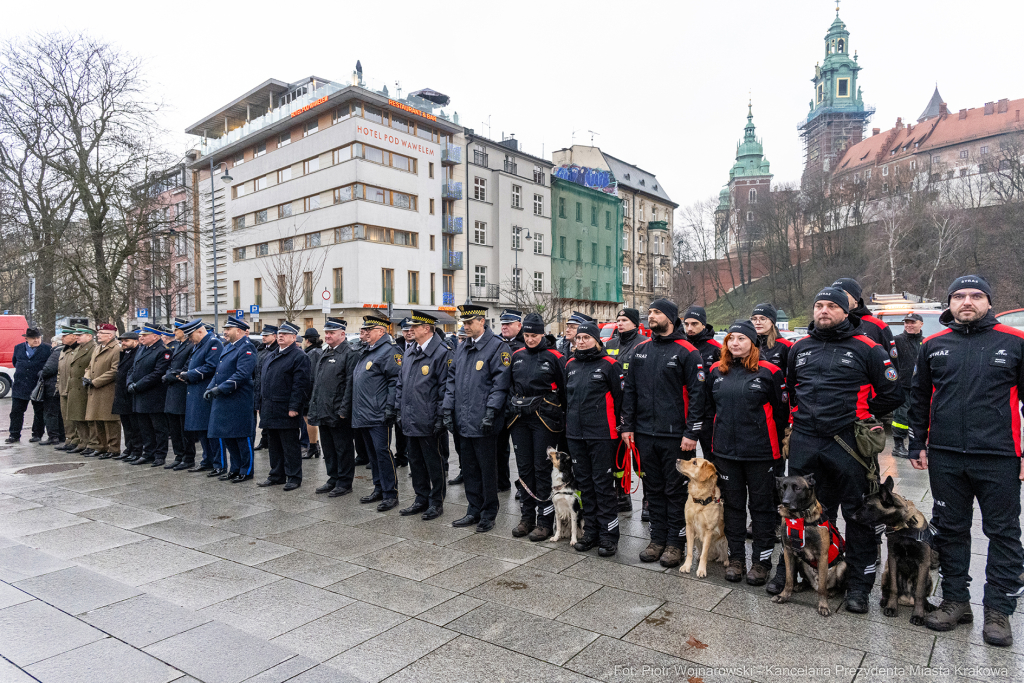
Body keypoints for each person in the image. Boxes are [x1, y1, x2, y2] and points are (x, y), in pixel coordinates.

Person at [909, 275, 1024, 647]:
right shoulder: (933, 345)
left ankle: (999, 610)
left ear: (989, 302)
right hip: (945, 456)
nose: (967, 302)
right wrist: (917, 445)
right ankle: (956, 600)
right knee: (951, 530)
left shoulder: (1015, 342)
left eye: (976, 295)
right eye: (959, 296)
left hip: (999, 455)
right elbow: (920, 398)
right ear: (950, 303)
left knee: (1003, 533)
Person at [779, 287, 904, 612]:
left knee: (858, 513)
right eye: (818, 304)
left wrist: (863, 412)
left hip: (848, 443)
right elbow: (793, 388)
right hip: (805, 440)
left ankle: (858, 587)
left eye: (831, 305)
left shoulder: (867, 347)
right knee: (803, 511)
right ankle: (795, 573)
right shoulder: (800, 347)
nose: (823, 310)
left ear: (846, 311)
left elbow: (893, 393)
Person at [620, 298, 707, 568]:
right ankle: (657, 539)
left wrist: (691, 432)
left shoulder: (687, 351)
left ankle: (675, 543)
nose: (651, 316)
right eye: (649, 312)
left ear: (670, 317)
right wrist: (628, 426)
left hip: (676, 437)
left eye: (656, 312)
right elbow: (630, 391)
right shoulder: (641, 349)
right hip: (645, 433)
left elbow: (697, 395)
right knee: (652, 489)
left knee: (675, 491)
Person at [705, 320, 787, 585]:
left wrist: (780, 451)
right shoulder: (717, 372)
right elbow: (709, 410)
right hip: (726, 454)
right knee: (733, 508)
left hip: (761, 453)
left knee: (762, 508)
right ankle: (736, 558)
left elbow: (781, 413)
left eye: (741, 338)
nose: (735, 343)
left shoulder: (770, 372)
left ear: (753, 342)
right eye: (731, 339)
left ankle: (761, 562)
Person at [443, 303, 511, 532]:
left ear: (482, 321)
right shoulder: (462, 348)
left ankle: (488, 513)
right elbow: (451, 382)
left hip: (483, 421)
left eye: (470, 322)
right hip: (463, 419)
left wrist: (491, 412)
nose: (466, 326)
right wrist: (448, 409)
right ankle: (473, 509)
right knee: (469, 468)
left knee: (487, 469)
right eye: (464, 323)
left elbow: (499, 385)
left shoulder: (496, 347)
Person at [564, 321, 624, 556]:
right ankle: (591, 532)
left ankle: (609, 536)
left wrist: (621, 429)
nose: (580, 341)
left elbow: (621, 400)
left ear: (598, 340)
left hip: (602, 434)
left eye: (586, 338)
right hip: (575, 434)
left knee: (602, 486)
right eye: (578, 338)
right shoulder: (570, 364)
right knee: (585, 485)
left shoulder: (610, 365)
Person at [505, 312, 566, 540]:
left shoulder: (554, 356)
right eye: (527, 335)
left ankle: (544, 521)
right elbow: (509, 385)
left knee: (542, 470)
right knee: (524, 469)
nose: (530, 339)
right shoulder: (517, 355)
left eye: (535, 335)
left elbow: (564, 390)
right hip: (519, 419)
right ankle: (526, 517)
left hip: (544, 420)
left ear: (543, 334)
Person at [396, 311, 451, 520]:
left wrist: (439, 417)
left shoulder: (442, 352)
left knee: (434, 464)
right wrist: (399, 410)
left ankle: (436, 502)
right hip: (410, 417)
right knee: (415, 462)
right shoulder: (410, 351)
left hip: (429, 419)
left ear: (427, 328)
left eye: (415, 326)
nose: (410, 330)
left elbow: (445, 389)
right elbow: (401, 384)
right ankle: (421, 498)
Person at [351, 312, 401, 510]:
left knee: (382, 453)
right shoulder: (369, 350)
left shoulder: (389, 351)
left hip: (379, 413)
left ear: (381, 331)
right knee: (372, 455)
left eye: (369, 330)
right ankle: (378, 488)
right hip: (364, 412)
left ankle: (390, 493)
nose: (366, 333)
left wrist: (390, 408)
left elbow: (395, 382)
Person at [258, 322, 312, 491]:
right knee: (273, 445)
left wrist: (295, 407)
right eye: (279, 333)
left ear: (294, 337)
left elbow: (300, 385)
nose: (280, 336)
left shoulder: (299, 356)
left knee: (290, 446)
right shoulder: (272, 354)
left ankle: (294, 477)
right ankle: (277, 475)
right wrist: (260, 404)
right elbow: (263, 382)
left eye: (285, 334)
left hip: (286, 409)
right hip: (270, 407)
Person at [308, 318, 358, 497]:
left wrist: (344, 410)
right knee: (328, 448)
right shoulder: (325, 352)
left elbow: (349, 384)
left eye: (332, 333)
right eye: (326, 332)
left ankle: (344, 482)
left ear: (342, 334)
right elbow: (319, 383)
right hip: (324, 409)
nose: (327, 336)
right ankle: (333, 477)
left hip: (338, 412)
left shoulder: (350, 353)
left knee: (342, 448)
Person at [605, 307, 647, 515]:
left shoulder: (643, 343)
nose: (620, 323)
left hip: (638, 405)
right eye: (618, 319)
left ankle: (648, 499)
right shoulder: (611, 344)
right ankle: (622, 495)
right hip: (615, 405)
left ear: (635, 323)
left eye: (624, 320)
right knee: (618, 455)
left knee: (642, 455)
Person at [206, 318, 257, 483]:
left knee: (242, 437)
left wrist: (221, 388)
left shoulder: (247, 347)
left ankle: (246, 470)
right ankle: (234, 468)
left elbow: (242, 374)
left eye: (229, 329)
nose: (225, 332)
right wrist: (210, 387)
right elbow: (218, 372)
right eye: (225, 329)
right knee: (228, 436)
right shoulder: (228, 347)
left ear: (240, 331)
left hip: (238, 399)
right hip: (224, 399)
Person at [126, 324, 171, 466]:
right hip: (140, 395)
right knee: (144, 427)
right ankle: (148, 453)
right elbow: (132, 369)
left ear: (155, 336)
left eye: (145, 335)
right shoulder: (142, 349)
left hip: (154, 395)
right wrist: (129, 383)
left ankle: (160, 455)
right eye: (141, 335)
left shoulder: (162, 351)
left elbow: (158, 373)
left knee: (158, 428)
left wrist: (138, 385)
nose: (141, 337)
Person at [180, 319, 222, 472]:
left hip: (205, 391)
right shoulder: (198, 344)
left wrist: (189, 374)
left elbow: (211, 366)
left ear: (200, 331)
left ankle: (218, 463)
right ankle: (207, 460)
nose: (189, 339)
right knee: (201, 429)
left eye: (190, 335)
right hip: (196, 391)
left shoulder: (213, 343)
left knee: (210, 431)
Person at [683, 306, 722, 461]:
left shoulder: (717, 349)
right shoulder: (682, 346)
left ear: (704, 325)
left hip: (709, 415)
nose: (689, 328)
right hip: (685, 413)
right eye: (686, 324)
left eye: (694, 324)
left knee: (712, 459)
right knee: (686, 461)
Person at [831, 278, 898, 361]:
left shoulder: (877, 326)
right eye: (835, 294)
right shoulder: (825, 325)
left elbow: (891, 364)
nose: (838, 297)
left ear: (856, 299)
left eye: (843, 293)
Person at [6, 328, 52, 444]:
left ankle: (37, 434)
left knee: (39, 412)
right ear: (27, 339)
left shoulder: (47, 349)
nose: (36, 340)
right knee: (16, 411)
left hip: (38, 386)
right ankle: (14, 434)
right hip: (20, 385)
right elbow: (15, 362)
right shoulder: (18, 348)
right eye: (33, 338)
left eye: (38, 338)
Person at [496, 309, 525, 493]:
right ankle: (501, 481)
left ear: (519, 325)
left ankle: (524, 486)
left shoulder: (525, 344)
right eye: (503, 324)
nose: (504, 327)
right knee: (499, 447)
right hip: (499, 403)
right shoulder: (497, 344)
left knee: (522, 451)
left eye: (509, 324)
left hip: (517, 405)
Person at [82, 323, 120, 459]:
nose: (97, 335)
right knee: (97, 419)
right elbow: (89, 367)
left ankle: (113, 448)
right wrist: (87, 378)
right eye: (98, 333)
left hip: (107, 389)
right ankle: (100, 446)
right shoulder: (98, 348)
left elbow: (115, 370)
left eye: (101, 333)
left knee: (110, 421)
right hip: (94, 389)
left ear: (110, 335)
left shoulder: (116, 349)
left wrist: (95, 381)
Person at [163, 319, 196, 470]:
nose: (174, 332)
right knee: (174, 427)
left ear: (185, 331)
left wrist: (172, 375)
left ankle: (188, 458)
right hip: (172, 390)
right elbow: (170, 365)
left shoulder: (190, 346)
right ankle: (178, 455)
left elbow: (187, 366)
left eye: (177, 330)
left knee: (184, 428)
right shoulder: (176, 346)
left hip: (182, 389)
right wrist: (169, 374)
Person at [890, 313, 923, 458]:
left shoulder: (925, 342)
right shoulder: (896, 340)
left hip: (919, 386)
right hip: (901, 385)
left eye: (912, 322)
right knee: (901, 417)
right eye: (906, 323)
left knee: (918, 417)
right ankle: (898, 446)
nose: (909, 325)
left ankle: (916, 445)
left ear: (921, 324)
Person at [66, 327, 98, 455]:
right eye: (76, 335)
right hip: (75, 386)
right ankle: (83, 442)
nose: (77, 337)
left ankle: (92, 443)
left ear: (89, 336)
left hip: (85, 387)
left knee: (88, 418)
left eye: (80, 335)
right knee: (77, 417)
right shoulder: (78, 348)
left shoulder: (93, 348)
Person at [111, 330, 141, 461]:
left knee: (135, 426)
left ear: (136, 341)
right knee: (127, 425)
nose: (123, 343)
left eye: (126, 341)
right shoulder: (124, 354)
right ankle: (129, 448)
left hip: (130, 394)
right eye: (122, 341)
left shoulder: (137, 353)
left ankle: (137, 449)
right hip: (121, 394)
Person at [38, 330, 70, 446]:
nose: (51, 345)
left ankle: (53, 437)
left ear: (56, 343)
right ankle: (61, 435)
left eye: (52, 343)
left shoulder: (56, 353)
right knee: (60, 413)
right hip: (61, 386)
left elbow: (48, 370)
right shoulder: (67, 352)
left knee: (50, 413)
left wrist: (40, 373)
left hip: (52, 387)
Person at [55, 328, 81, 451]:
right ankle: (69, 439)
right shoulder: (63, 351)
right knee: (65, 417)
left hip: (75, 388)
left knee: (74, 415)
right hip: (63, 388)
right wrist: (58, 386)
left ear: (74, 336)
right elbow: (59, 371)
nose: (62, 338)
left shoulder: (78, 350)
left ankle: (77, 440)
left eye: (65, 336)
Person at [253, 325, 278, 452]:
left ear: (274, 336)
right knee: (262, 416)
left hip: (270, 390)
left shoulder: (276, 350)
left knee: (268, 416)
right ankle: (264, 440)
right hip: (259, 387)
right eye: (263, 335)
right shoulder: (261, 350)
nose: (263, 337)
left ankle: (268, 440)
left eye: (266, 335)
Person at [301, 328, 324, 460]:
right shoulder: (316, 351)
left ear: (308, 340)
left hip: (310, 391)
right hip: (312, 391)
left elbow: (311, 375)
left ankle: (313, 446)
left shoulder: (313, 353)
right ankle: (314, 445)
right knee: (308, 419)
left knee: (309, 419)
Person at [750, 303, 793, 374]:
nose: (757, 322)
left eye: (763, 319)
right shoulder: (746, 344)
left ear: (772, 321)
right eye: (754, 319)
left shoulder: (786, 346)